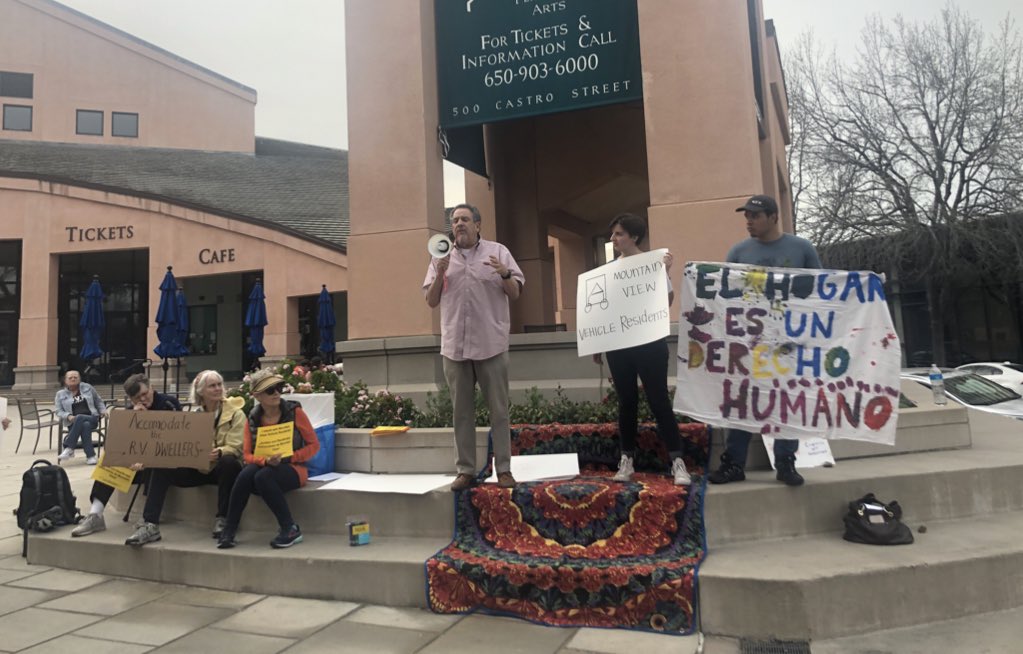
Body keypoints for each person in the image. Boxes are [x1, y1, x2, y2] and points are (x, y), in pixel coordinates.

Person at [708, 194, 822, 487]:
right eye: (746, 216)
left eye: (755, 216)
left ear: (773, 217)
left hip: (790, 340)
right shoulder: (738, 252)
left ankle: (786, 462)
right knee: (743, 398)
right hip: (749, 340)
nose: (749, 221)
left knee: (786, 400)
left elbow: (820, 292)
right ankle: (734, 463)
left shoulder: (802, 249)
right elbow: (728, 295)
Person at [423, 203, 525, 492]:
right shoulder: (440, 257)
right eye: (455, 220)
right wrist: (440, 272)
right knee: (461, 412)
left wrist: (505, 273)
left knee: (499, 410)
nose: (459, 224)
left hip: (491, 344)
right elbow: (431, 301)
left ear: (478, 225)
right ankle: (465, 470)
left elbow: (515, 293)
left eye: (465, 219)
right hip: (454, 346)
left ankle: (503, 470)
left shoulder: (499, 252)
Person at [592, 214, 692, 486]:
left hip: (649, 343)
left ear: (634, 237)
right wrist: (597, 341)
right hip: (619, 345)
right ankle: (627, 459)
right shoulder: (609, 270)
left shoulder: (653, 264)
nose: (613, 239)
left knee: (658, 399)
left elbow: (666, 300)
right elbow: (603, 308)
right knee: (627, 402)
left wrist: (664, 274)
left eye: (618, 234)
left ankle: (677, 461)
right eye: (613, 235)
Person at [125, 370, 245, 546]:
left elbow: (236, 446)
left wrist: (219, 452)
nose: (218, 389)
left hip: (220, 467)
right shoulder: (194, 415)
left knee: (229, 462)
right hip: (197, 467)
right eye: (212, 385)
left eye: (219, 384)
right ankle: (150, 524)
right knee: (163, 459)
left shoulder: (236, 413)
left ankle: (223, 518)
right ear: (201, 391)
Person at [217, 369, 319, 549]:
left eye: (278, 387)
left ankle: (290, 528)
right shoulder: (253, 418)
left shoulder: (295, 412)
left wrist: (289, 457)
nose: (277, 393)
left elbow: (314, 446)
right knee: (247, 474)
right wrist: (265, 461)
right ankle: (229, 530)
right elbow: (247, 454)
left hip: (293, 468)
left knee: (262, 476)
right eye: (270, 390)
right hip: (265, 466)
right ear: (257, 395)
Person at [71, 374, 182, 537]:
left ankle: (149, 522)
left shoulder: (168, 404)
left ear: (151, 388)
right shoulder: (130, 412)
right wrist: (134, 419)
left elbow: (177, 439)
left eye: (145, 394)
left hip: (164, 464)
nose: (143, 399)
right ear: (131, 400)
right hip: (137, 466)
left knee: (158, 463)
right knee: (110, 458)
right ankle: (96, 514)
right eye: (138, 398)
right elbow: (118, 444)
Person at [55, 370, 108, 464]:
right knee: (85, 425)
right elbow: (59, 411)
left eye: (75, 377)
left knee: (80, 418)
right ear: (65, 380)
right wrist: (68, 416)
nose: (73, 379)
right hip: (73, 423)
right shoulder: (60, 394)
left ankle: (69, 447)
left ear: (79, 379)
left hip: (92, 418)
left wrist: (103, 410)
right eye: (70, 378)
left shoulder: (87, 388)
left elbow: (98, 400)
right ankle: (91, 456)